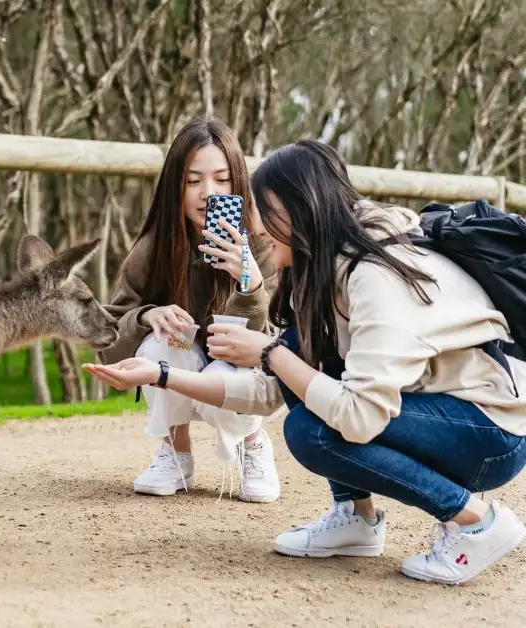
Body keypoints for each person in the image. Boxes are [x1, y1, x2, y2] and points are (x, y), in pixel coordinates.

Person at [85, 138, 526, 585]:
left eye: (261, 211)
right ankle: (356, 517)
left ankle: (476, 521)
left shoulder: (373, 276)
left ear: (298, 210)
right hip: (438, 407)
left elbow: (360, 415)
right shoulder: (316, 268)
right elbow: (270, 390)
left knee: (311, 429)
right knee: (309, 392)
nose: (254, 228)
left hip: (490, 431)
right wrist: (160, 374)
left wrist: (270, 351)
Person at [99, 118, 281, 501]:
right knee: (163, 341)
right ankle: (175, 452)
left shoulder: (263, 247)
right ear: (174, 187)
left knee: (233, 359)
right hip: (181, 363)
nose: (207, 194)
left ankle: (253, 443)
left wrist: (249, 282)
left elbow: (263, 347)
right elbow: (110, 341)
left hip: (237, 371)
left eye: (221, 180)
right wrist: (147, 315)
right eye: (193, 181)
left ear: (239, 185)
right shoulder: (153, 249)